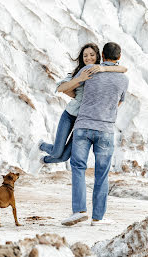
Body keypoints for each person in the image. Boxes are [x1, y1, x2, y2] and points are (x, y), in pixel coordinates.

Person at [28, 43, 127, 174]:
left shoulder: (102, 71)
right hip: (70, 116)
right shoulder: (81, 72)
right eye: (85, 55)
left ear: (99, 56)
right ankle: (41, 145)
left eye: (92, 55)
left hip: (85, 121)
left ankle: (43, 160)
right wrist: (79, 80)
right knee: (57, 152)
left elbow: (123, 69)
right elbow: (60, 88)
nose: (88, 58)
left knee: (64, 157)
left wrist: (102, 69)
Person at [61, 42, 129, 226]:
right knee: (101, 174)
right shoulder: (123, 79)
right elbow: (118, 104)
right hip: (105, 129)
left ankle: (79, 211)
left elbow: (69, 87)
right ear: (118, 57)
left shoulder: (90, 69)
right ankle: (97, 218)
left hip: (83, 126)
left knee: (78, 168)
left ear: (102, 56)